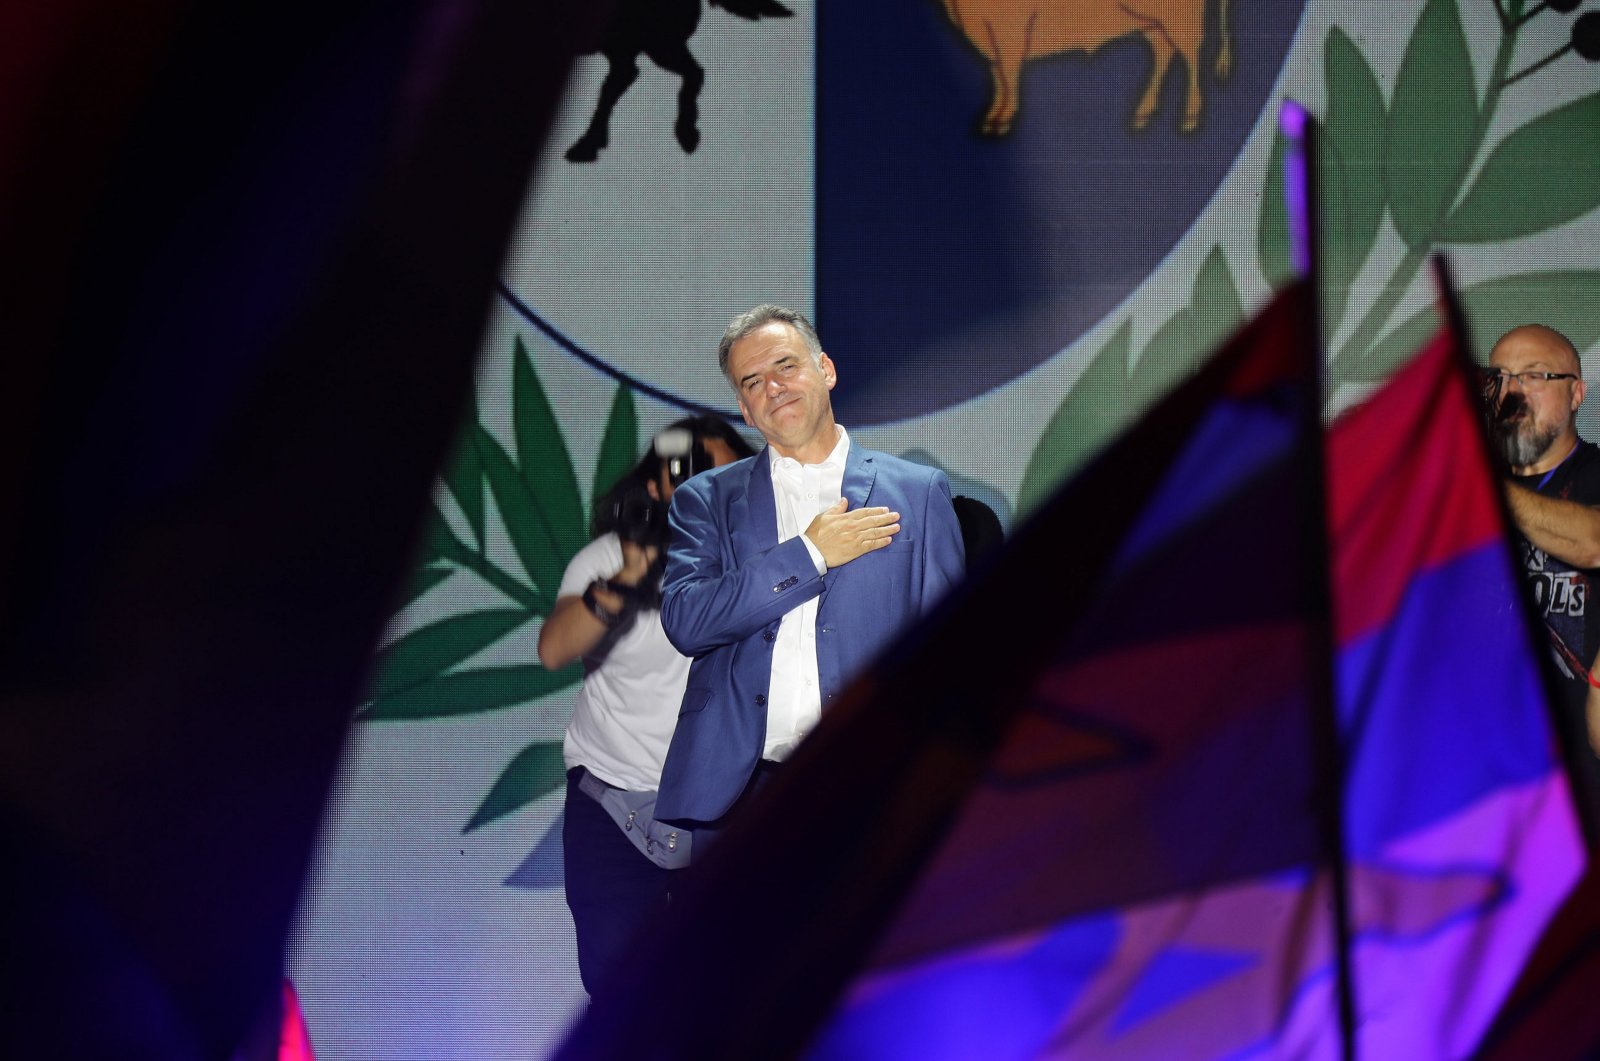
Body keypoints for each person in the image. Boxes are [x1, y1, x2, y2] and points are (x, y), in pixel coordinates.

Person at [654, 304, 966, 832]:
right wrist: (810, 553)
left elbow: (954, 651)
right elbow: (686, 621)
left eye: (786, 366)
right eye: (752, 382)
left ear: (826, 370)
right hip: (737, 793)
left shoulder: (918, 493)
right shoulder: (704, 499)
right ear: (744, 410)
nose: (773, 387)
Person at [537, 415, 752, 998]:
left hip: (723, 804)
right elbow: (555, 650)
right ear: (656, 487)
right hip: (614, 798)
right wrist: (631, 574)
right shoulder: (608, 560)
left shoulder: (765, 562)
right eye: (689, 471)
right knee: (618, 987)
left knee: (731, 983)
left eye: (725, 473)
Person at [1487, 324, 1600, 794]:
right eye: (1500, 378)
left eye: (1534, 376)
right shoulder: (1463, 485)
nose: (1512, 393)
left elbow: (1594, 539)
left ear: (1577, 393)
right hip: (1485, 778)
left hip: (1578, 785)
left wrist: (1483, 488)